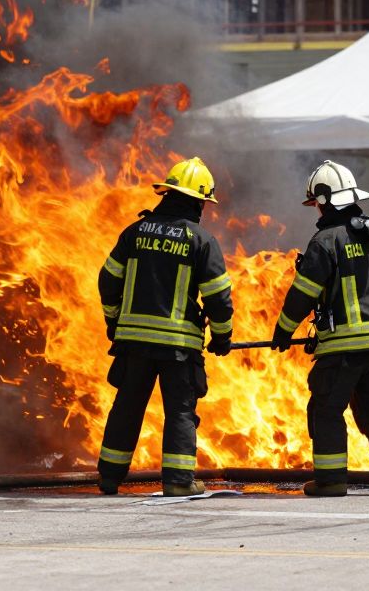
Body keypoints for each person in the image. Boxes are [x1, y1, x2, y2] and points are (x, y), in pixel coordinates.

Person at [270, 160, 369, 497]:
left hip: (343, 349)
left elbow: (303, 293)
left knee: (326, 408)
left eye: (317, 205)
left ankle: (331, 480)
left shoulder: (325, 241)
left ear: (323, 201)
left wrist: (283, 330)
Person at [96, 157, 234, 496]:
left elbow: (108, 280)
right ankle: (178, 482)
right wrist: (222, 335)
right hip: (178, 347)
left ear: (168, 193)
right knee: (181, 412)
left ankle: (109, 477)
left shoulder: (134, 232)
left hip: (133, 345)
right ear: (198, 200)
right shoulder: (201, 240)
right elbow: (217, 297)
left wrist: (114, 322)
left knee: (127, 407)